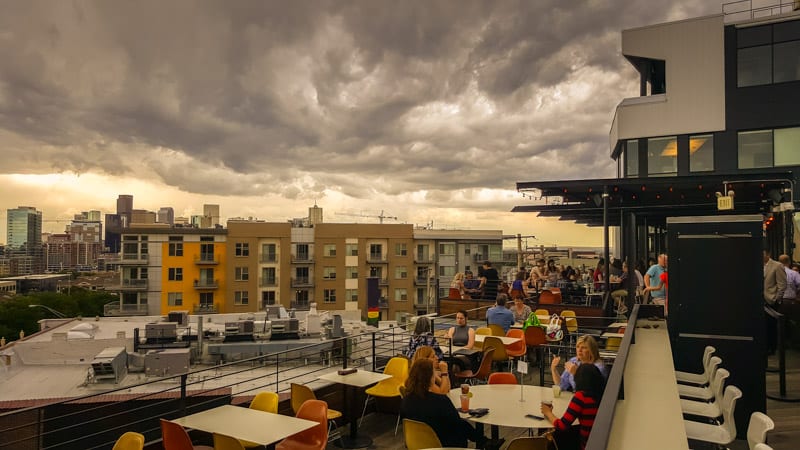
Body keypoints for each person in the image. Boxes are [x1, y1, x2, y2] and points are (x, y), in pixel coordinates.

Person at [400, 358, 486, 448]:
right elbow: (457, 425)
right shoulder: (441, 401)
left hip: (417, 444)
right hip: (445, 444)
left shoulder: (406, 401)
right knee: (462, 425)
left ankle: (482, 440)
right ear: (430, 378)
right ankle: (483, 441)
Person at [541, 363, 605, 450]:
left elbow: (562, 425)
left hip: (587, 444)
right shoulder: (603, 395)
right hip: (603, 442)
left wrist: (548, 413)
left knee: (555, 437)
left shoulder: (581, 397)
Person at [764, 250, 787, 354]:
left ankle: (771, 347)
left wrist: (777, 299)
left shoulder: (777, 266)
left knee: (771, 325)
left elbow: (782, 284)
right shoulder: (756, 264)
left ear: (768, 254)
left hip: (771, 300)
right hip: (759, 300)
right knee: (762, 325)